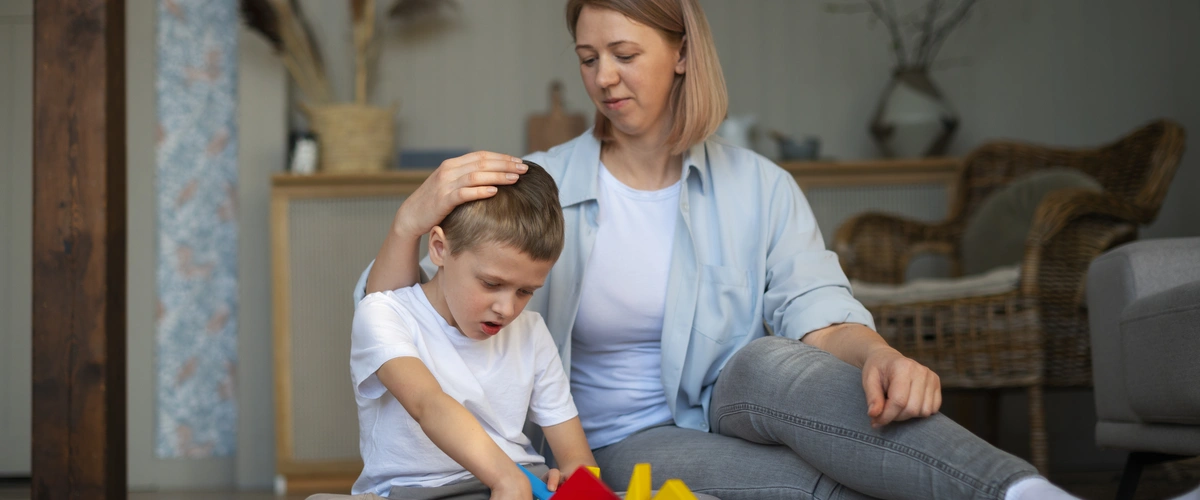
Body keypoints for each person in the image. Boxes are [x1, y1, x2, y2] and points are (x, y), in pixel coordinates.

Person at [354, 1, 1079, 498]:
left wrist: (878, 355)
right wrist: (410, 220)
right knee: (818, 482)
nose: (603, 76)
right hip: (614, 440)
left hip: (731, 400)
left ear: (680, 53)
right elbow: (398, 313)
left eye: (625, 53)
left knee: (771, 358)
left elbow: (817, 310)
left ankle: (1027, 490)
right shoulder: (537, 187)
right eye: (587, 57)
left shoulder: (759, 186)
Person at [342, 162, 597, 500]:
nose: (507, 309)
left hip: (524, 483)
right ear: (439, 249)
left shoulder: (531, 331)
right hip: (421, 491)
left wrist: (575, 484)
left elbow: (576, 458)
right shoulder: (384, 314)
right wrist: (505, 478)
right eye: (492, 284)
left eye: (525, 292)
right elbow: (428, 404)